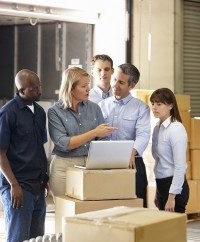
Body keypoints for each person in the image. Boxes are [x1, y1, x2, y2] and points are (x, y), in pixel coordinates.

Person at [48, 67, 116, 197]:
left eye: (88, 85)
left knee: (86, 213)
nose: (88, 89)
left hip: (91, 166)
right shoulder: (55, 112)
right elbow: (64, 144)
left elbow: (102, 139)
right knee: (65, 212)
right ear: (71, 88)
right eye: (84, 86)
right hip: (64, 168)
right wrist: (94, 133)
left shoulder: (95, 108)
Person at [0, 69, 49, 242]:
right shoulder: (8, 113)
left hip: (37, 185)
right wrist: (14, 185)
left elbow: (38, 149)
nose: (39, 91)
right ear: (21, 91)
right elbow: (1, 153)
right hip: (19, 187)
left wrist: (45, 178)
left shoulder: (40, 112)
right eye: (33, 89)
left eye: (39, 86)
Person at [99, 63, 151, 207]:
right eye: (115, 80)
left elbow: (143, 134)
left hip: (132, 162)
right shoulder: (102, 105)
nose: (115, 85)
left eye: (121, 82)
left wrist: (132, 152)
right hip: (106, 162)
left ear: (131, 86)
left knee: (136, 206)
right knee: (107, 207)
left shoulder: (141, 108)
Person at [150, 88, 189, 213]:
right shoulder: (157, 129)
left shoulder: (176, 129)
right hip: (161, 185)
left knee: (174, 231)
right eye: (153, 103)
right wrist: (158, 192)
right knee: (164, 231)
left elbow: (180, 166)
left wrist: (171, 197)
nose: (154, 107)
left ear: (170, 105)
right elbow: (160, 163)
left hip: (175, 187)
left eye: (159, 104)